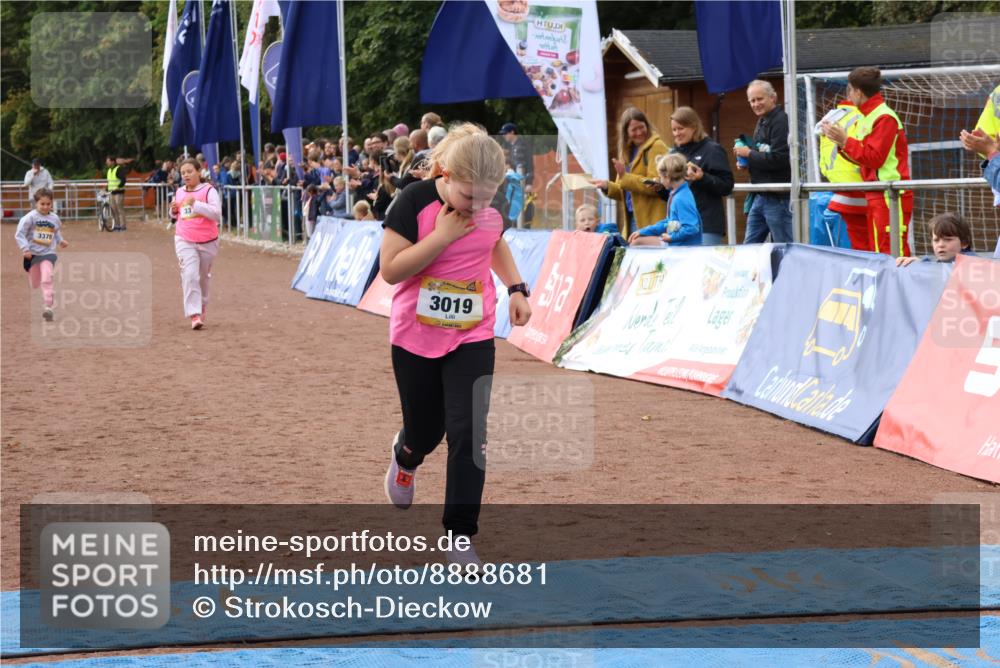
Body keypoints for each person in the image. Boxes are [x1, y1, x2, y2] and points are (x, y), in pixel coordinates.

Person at [379, 123, 531, 566]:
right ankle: (406, 455)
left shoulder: (487, 204)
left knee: (470, 433)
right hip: (415, 336)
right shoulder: (413, 202)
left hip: (473, 333)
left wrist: (517, 288)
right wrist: (442, 237)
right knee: (427, 432)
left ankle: (459, 535)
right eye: (468, 198)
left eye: (487, 198)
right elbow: (391, 270)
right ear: (443, 174)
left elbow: (493, 241)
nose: (478, 206)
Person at [822, 67, 913, 257]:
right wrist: (841, 142)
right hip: (877, 193)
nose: (848, 94)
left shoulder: (884, 117)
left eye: (849, 90)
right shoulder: (869, 116)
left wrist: (846, 141)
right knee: (878, 251)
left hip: (890, 195)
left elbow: (875, 158)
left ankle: (896, 287)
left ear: (857, 92)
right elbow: (863, 158)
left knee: (891, 252)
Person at [591, 107, 669, 237]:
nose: (639, 132)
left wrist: (625, 178)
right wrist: (607, 186)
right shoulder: (626, 153)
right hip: (632, 220)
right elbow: (623, 190)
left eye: (641, 127)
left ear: (647, 126)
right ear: (626, 132)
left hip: (653, 221)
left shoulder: (657, 146)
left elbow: (656, 185)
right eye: (634, 129)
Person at [735, 80, 793, 244]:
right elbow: (763, 153)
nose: (756, 104)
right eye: (752, 101)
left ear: (773, 98)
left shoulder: (781, 121)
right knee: (749, 247)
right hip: (761, 195)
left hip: (778, 198)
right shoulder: (762, 120)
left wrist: (749, 154)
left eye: (759, 99)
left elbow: (780, 158)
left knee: (783, 247)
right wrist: (747, 162)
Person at [666, 107, 733, 245]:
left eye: (681, 128)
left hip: (706, 225)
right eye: (674, 130)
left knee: (703, 267)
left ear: (693, 127)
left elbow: (727, 186)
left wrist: (702, 178)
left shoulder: (712, 149)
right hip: (679, 225)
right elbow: (672, 193)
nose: (677, 133)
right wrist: (660, 188)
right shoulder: (673, 153)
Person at [170, 158, 222, 330]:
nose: (186, 175)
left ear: (199, 172)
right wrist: (172, 210)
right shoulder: (179, 192)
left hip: (208, 241)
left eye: (190, 171)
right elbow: (178, 215)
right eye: (183, 172)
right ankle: (194, 314)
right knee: (190, 275)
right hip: (184, 239)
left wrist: (197, 205)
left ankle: (202, 305)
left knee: (202, 278)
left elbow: (216, 214)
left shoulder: (208, 190)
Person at [817, 99, 870, 250]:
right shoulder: (862, 117)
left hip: (840, 190)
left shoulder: (829, 119)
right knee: (875, 248)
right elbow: (866, 154)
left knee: (857, 247)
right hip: (864, 191)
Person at [15, 188, 68, 322]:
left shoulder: (54, 218)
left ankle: (48, 307)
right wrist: (25, 249)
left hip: (48, 253)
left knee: (47, 279)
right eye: (42, 204)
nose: (45, 207)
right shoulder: (29, 218)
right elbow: (19, 234)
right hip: (32, 254)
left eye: (48, 204)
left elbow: (55, 232)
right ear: (36, 203)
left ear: (51, 204)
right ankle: (46, 296)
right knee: (35, 283)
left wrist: (60, 240)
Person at [628, 154, 702, 247]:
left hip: (683, 248)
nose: (660, 180)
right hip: (677, 243)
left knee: (636, 242)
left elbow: (691, 228)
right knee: (636, 240)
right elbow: (669, 223)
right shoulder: (676, 194)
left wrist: (672, 238)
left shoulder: (681, 198)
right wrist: (643, 231)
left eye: (661, 177)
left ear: (667, 177)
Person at [896, 213, 976, 266]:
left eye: (948, 239)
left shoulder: (973, 264)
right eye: (936, 240)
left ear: (964, 243)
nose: (940, 245)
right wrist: (917, 264)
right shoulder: (937, 264)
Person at [105, 155, 132, 231]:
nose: (107, 163)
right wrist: (106, 189)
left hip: (119, 192)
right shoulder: (109, 171)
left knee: (119, 208)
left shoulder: (119, 169)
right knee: (113, 209)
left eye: (108, 161)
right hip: (111, 193)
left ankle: (123, 225)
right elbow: (109, 182)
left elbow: (123, 180)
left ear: (112, 161)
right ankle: (116, 225)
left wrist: (118, 186)